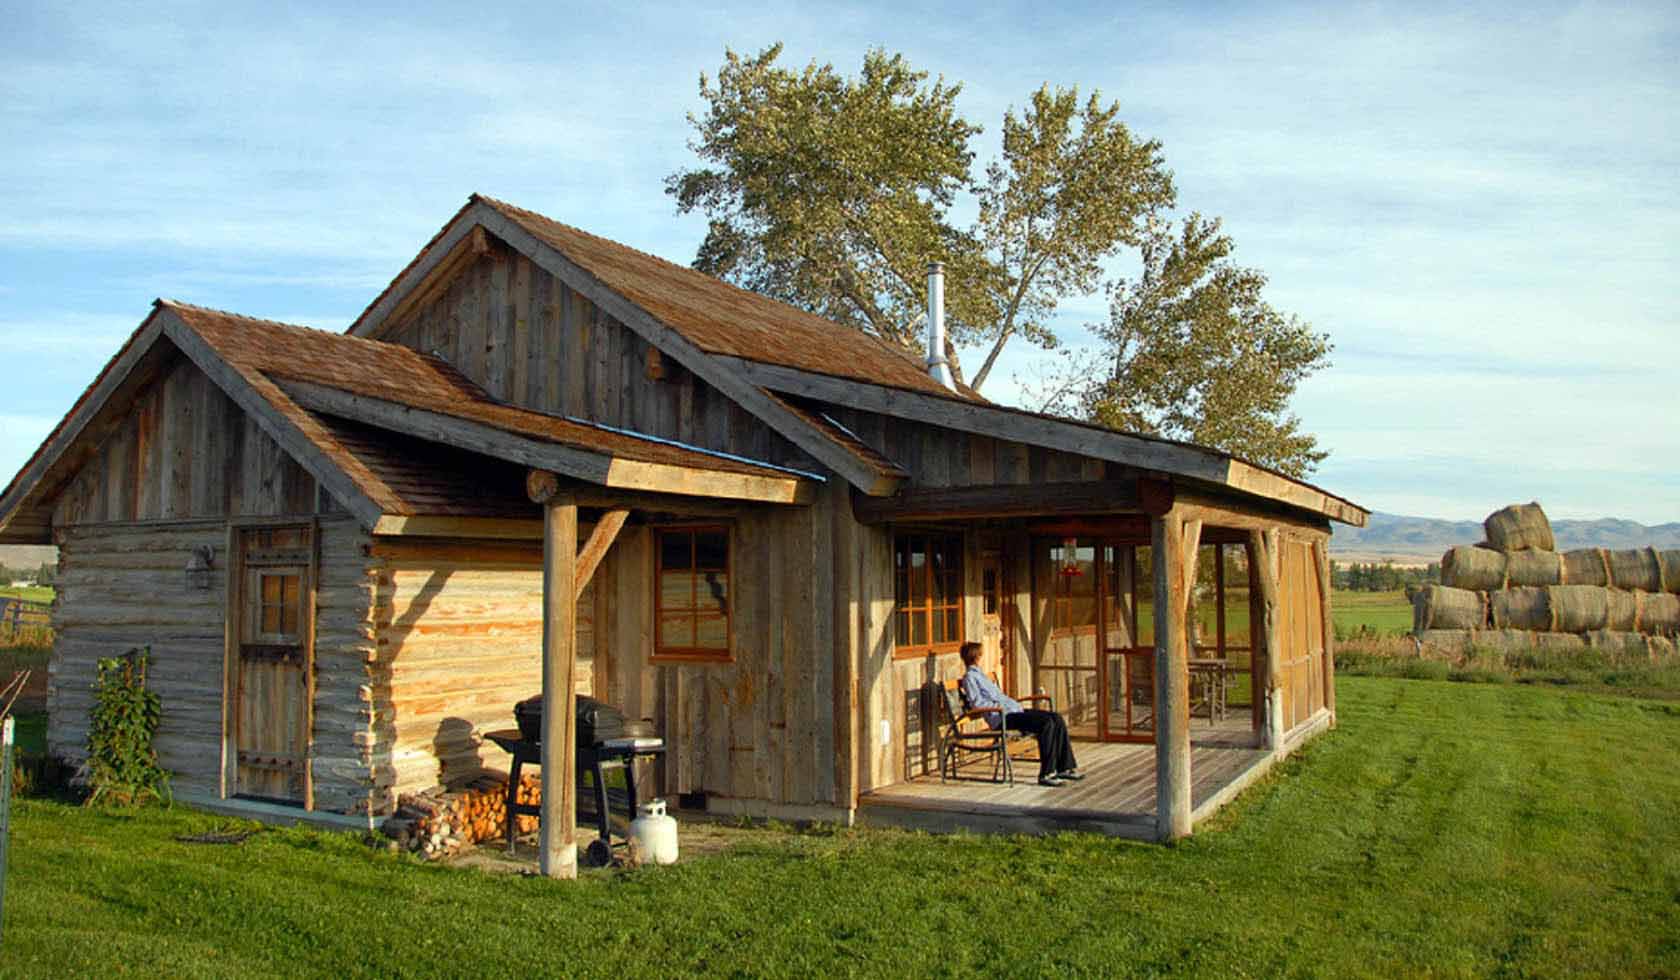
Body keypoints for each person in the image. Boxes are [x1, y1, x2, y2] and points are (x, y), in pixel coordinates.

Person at [956, 642, 1082, 787]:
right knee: (1046, 724)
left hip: (1012, 710)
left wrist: (1010, 704)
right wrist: (999, 706)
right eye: (979, 654)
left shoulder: (980, 674)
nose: (981, 656)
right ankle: (1047, 773)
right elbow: (977, 703)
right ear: (975, 656)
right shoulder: (970, 678)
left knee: (1056, 718)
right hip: (1001, 717)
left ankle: (1064, 767)